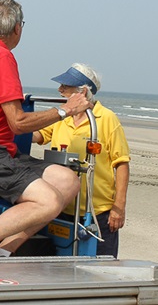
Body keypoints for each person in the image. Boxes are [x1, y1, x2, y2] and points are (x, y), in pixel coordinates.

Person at [0, 0, 93, 258]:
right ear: (17, 29)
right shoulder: (0, 56)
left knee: (68, 182)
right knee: (49, 201)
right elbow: (19, 122)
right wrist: (66, 110)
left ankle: (1, 253)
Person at [32, 63, 130, 257]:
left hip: (96, 211)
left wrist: (118, 207)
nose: (60, 90)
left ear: (83, 91)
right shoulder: (63, 118)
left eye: (66, 87)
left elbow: (121, 163)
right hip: (62, 205)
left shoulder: (106, 118)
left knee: (99, 266)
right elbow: (38, 135)